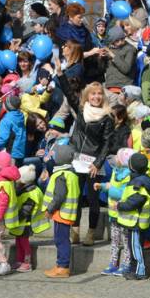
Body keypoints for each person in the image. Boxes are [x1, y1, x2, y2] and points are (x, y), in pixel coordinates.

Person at [54, 56, 114, 246]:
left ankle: (91, 232)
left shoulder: (107, 117)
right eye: (93, 94)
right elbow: (68, 92)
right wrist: (60, 73)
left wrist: (98, 163)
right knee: (76, 195)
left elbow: (107, 143)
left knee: (93, 198)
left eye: (99, 94)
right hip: (77, 157)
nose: (96, 97)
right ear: (87, 96)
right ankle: (75, 230)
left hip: (94, 161)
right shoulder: (81, 110)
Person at [115, 153, 150, 280]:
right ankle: (134, 269)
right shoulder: (142, 179)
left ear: (131, 167)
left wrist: (120, 205)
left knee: (136, 247)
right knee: (134, 247)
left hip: (136, 222)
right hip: (135, 222)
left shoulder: (139, 182)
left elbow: (136, 200)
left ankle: (140, 271)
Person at [42, 144, 80, 278]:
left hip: (61, 213)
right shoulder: (71, 174)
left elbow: (59, 196)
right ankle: (59, 265)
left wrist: (49, 209)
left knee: (61, 240)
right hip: (66, 213)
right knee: (61, 239)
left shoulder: (61, 175)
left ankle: (63, 267)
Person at [96, 148, 132, 275]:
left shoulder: (128, 176)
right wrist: (102, 186)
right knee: (115, 240)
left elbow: (123, 193)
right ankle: (113, 263)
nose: (115, 158)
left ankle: (127, 264)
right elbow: (111, 185)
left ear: (123, 161)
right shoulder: (115, 171)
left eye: (118, 157)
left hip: (123, 214)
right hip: (113, 213)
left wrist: (109, 189)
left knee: (126, 240)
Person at [10, 165, 49, 273]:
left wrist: (14, 218)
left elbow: (26, 211)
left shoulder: (30, 193)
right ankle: (19, 260)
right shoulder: (24, 189)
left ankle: (27, 263)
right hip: (21, 223)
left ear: (23, 180)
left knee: (24, 242)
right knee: (18, 241)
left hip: (26, 223)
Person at [105, 26, 138, 92]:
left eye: (122, 39)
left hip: (124, 85)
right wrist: (100, 58)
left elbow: (126, 69)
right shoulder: (109, 49)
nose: (120, 42)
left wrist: (113, 56)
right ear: (112, 41)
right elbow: (102, 68)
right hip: (110, 85)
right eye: (117, 41)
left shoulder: (130, 49)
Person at [0, 95, 26, 163]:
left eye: (4, 102)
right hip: (21, 151)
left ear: (7, 106)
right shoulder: (20, 116)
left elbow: (3, 138)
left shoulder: (6, 121)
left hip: (11, 153)